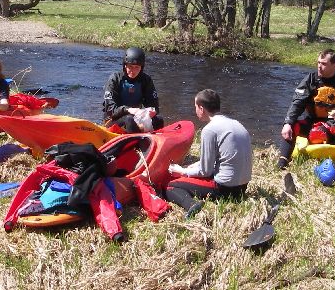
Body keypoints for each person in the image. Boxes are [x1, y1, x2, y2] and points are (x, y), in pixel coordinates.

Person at [166, 89, 253, 218]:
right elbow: (221, 158)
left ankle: (191, 205)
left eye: (195, 107)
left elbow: (205, 171)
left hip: (225, 189)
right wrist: (194, 165)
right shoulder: (236, 123)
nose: (195, 111)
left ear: (201, 108)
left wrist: (182, 171)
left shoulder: (210, 129)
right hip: (242, 187)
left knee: (171, 186)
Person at [277, 49, 335, 169]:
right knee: (292, 125)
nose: (319, 66)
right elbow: (297, 103)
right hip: (313, 122)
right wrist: (287, 123)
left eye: (324, 64)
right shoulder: (310, 80)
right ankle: (282, 164)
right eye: (318, 62)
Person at [103, 47, 164, 133]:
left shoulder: (146, 80)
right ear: (125, 65)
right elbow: (111, 110)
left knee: (159, 120)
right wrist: (127, 110)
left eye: (136, 67)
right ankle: (134, 144)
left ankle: (154, 142)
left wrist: (151, 112)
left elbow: (154, 106)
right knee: (129, 119)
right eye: (130, 67)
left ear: (141, 67)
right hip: (113, 120)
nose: (133, 71)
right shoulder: (114, 79)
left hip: (135, 118)